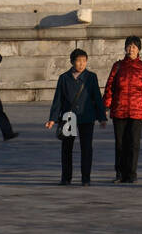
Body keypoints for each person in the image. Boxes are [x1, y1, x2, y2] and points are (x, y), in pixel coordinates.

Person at [45, 48, 108, 185]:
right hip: (68, 116)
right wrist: (52, 119)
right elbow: (58, 100)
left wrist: (101, 117)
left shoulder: (91, 77)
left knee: (86, 148)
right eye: (78, 61)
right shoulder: (64, 78)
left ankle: (86, 178)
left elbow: (97, 97)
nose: (81, 64)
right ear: (72, 62)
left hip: (86, 117)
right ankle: (66, 177)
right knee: (66, 148)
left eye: (84, 61)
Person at [103, 36, 142, 184]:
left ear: (139, 49)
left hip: (137, 111)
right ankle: (120, 174)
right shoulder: (117, 66)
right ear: (125, 48)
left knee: (134, 144)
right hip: (119, 110)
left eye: (134, 47)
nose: (131, 49)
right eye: (129, 46)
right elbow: (109, 88)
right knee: (120, 144)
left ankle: (131, 174)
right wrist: (106, 106)